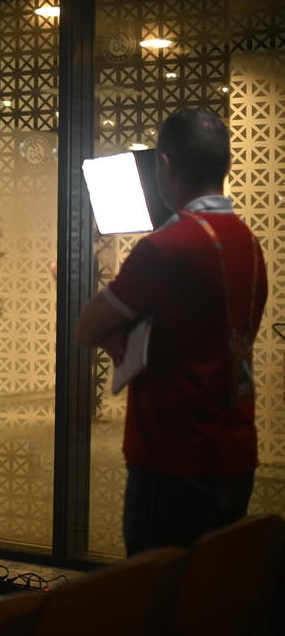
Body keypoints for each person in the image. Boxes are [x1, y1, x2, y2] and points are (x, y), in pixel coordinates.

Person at [76, 108, 268, 556]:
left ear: (164, 166)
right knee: (212, 592)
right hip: (236, 451)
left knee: (157, 595)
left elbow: (87, 326)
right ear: (226, 166)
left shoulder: (165, 248)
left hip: (170, 453)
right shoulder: (249, 242)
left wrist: (114, 332)